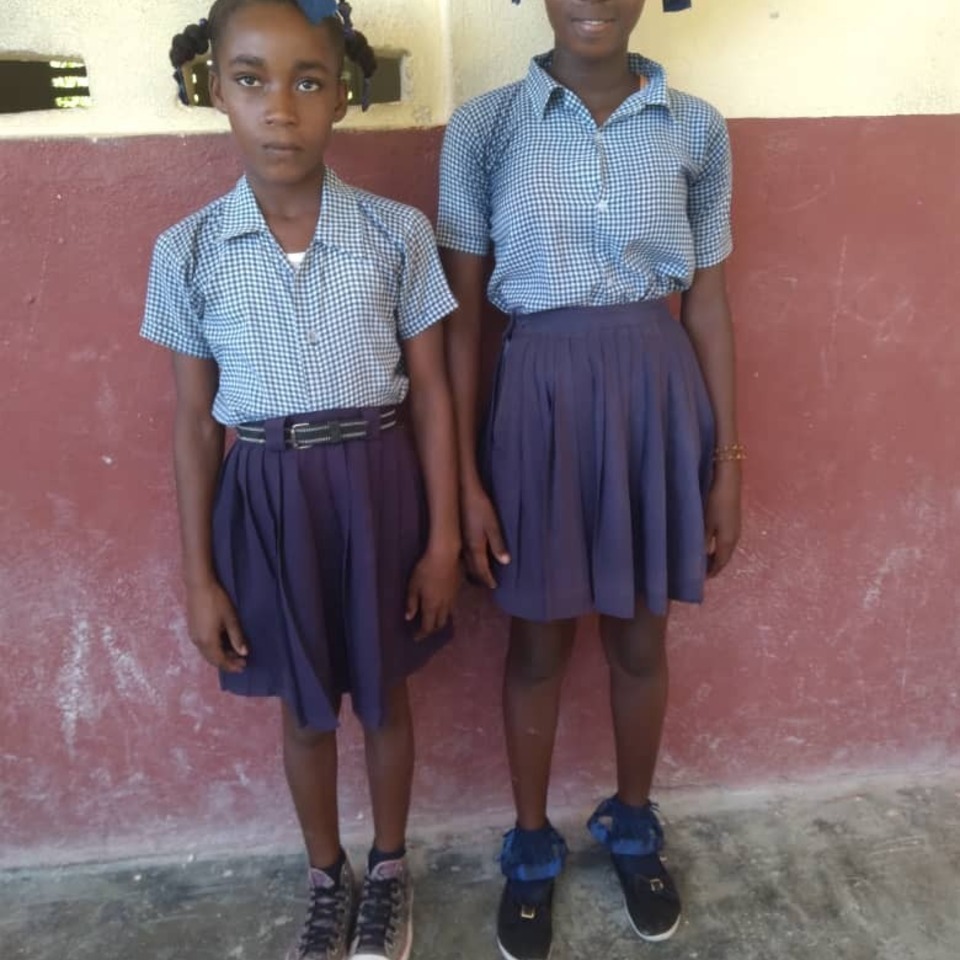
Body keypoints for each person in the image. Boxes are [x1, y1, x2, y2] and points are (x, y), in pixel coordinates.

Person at [145, 3, 460, 958]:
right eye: (250, 79)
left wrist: (442, 538)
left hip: (380, 487)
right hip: (267, 499)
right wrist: (199, 577)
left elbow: (436, 394)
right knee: (305, 704)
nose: (280, 108)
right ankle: (327, 876)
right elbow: (197, 427)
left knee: (386, 696)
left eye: (307, 81)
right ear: (212, 90)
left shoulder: (397, 234)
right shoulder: (187, 250)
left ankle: (392, 867)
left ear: (344, 95)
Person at [438, 1, 742, 957]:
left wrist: (726, 464)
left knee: (640, 637)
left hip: (657, 393)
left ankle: (633, 820)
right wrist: (465, 480)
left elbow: (710, 304)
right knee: (535, 641)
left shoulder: (695, 126)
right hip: (536, 398)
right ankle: (531, 842)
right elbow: (458, 322)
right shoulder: (486, 126)